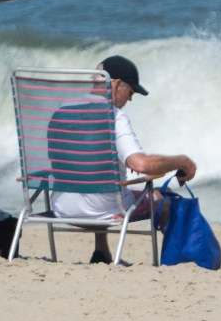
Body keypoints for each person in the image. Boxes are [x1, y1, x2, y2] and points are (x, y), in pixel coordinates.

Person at [50, 55, 197, 264]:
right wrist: (182, 162)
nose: (130, 99)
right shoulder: (115, 117)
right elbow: (141, 165)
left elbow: (65, 162)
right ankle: (180, 259)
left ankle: (101, 252)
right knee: (164, 199)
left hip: (62, 208)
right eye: (131, 91)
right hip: (104, 211)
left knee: (99, 182)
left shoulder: (61, 112)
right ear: (116, 84)